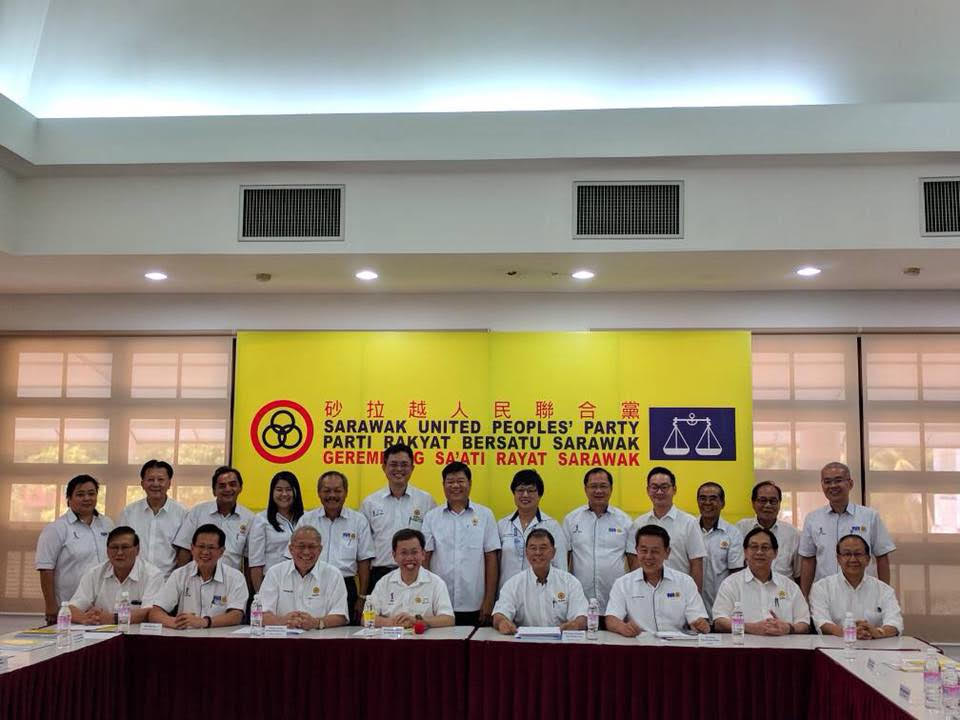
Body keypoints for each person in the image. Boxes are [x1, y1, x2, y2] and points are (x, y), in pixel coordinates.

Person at [799, 462, 896, 598]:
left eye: (838, 480)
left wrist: (884, 596)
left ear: (850, 484)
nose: (833, 486)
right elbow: (808, 561)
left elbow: (882, 557)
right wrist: (804, 598)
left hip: (863, 594)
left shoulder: (869, 516)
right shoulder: (812, 519)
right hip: (825, 595)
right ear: (822, 485)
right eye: (827, 482)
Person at [422, 462, 500, 625]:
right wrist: (426, 597)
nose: (455, 486)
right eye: (450, 482)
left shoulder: (485, 515)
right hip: (439, 602)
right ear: (443, 485)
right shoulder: (431, 517)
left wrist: (489, 600)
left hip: (474, 602)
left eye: (460, 481)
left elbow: (491, 558)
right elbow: (425, 559)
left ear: (469, 483)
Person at [36, 474, 115, 626]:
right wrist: (51, 606)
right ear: (69, 498)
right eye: (80, 494)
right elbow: (46, 569)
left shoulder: (107, 524)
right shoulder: (56, 528)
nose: (87, 498)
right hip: (69, 608)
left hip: (103, 609)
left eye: (91, 493)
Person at [297, 470, 374, 623]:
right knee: (309, 626)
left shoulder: (358, 521)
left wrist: (362, 597)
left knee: (344, 631)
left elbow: (364, 561)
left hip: (346, 585)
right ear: (319, 493)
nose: (332, 495)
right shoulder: (307, 520)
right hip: (310, 583)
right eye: (327, 490)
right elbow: (295, 556)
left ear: (346, 493)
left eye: (337, 490)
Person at [606, 525, 710, 636]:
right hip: (639, 642)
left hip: (676, 643)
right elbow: (611, 618)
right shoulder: (622, 584)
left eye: (655, 551)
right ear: (636, 551)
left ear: (667, 552)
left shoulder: (685, 582)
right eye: (644, 550)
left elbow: (698, 618)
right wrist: (622, 627)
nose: (648, 556)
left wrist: (701, 625)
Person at [361, 443, 437, 591]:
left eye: (404, 465)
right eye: (393, 464)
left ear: (412, 468)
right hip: (380, 575)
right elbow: (364, 548)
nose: (399, 469)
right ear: (384, 467)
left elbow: (430, 545)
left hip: (416, 573)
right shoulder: (370, 503)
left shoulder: (426, 501)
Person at [562, 467, 634, 614]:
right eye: (593, 486)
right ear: (585, 489)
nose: (598, 491)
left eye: (603, 486)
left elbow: (634, 563)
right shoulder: (571, 519)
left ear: (611, 489)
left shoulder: (625, 521)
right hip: (580, 598)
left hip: (615, 598)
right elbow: (564, 561)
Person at [147, 524, 248, 629]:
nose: (205, 552)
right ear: (192, 548)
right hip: (186, 635)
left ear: (221, 551)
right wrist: (175, 622)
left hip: (220, 637)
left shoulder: (235, 577)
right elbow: (155, 613)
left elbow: (236, 616)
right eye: (201, 546)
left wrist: (205, 622)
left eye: (211, 547)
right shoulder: (179, 575)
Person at [713, 528, 810, 635]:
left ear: (775, 553)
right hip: (744, 644)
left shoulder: (790, 586)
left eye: (765, 547)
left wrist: (788, 628)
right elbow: (719, 621)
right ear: (745, 552)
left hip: (782, 644)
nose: (759, 552)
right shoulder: (730, 584)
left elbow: (804, 623)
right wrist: (750, 627)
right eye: (754, 547)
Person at [492, 529, 588, 634]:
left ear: (553, 552)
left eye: (543, 548)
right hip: (524, 642)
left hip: (561, 641)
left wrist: (575, 625)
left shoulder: (570, 583)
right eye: (533, 548)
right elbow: (499, 614)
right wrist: (502, 622)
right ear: (526, 553)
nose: (538, 553)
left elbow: (581, 616)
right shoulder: (513, 584)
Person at [809, 534, 903, 639]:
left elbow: (895, 622)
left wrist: (878, 632)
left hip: (874, 646)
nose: (853, 559)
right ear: (838, 559)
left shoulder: (884, 590)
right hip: (834, 646)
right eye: (847, 554)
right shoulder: (821, 588)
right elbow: (821, 622)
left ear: (868, 559)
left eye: (858, 554)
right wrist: (848, 633)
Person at [630, 466, 706, 591]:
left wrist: (694, 596)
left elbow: (696, 564)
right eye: (654, 487)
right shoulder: (639, 523)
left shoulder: (689, 522)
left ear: (674, 489)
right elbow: (635, 564)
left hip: (679, 592)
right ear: (648, 490)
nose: (659, 492)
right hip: (646, 593)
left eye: (664, 487)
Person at [68, 526, 164, 624]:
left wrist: (112, 618)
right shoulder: (95, 573)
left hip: (137, 632)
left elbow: (150, 612)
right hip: (100, 631)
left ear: (137, 550)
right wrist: (86, 618)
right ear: (107, 550)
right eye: (114, 547)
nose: (119, 553)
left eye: (125, 547)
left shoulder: (153, 575)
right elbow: (70, 608)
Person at [258, 526, 348, 630]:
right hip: (282, 636)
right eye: (301, 546)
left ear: (320, 550)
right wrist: (282, 621)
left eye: (312, 547)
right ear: (291, 549)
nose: (306, 552)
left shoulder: (334, 575)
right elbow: (261, 614)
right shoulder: (275, 573)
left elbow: (341, 616)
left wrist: (317, 623)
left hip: (319, 636)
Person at [368, 529, 454, 629]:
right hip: (391, 637)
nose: (409, 558)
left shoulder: (436, 583)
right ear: (394, 556)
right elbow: (366, 618)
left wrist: (417, 621)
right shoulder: (383, 583)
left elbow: (449, 619)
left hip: (424, 637)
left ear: (423, 554)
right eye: (404, 553)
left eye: (414, 552)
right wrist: (392, 622)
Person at [173, 466, 254, 572]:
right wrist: (182, 578)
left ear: (240, 488)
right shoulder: (198, 512)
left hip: (231, 579)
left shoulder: (249, 518)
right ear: (214, 491)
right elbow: (185, 549)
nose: (228, 489)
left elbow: (249, 559)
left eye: (232, 484)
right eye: (222, 486)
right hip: (198, 577)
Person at [496, 469, 567, 591]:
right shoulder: (502, 525)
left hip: (541, 594)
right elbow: (495, 566)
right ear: (514, 493)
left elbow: (561, 566)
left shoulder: (552, 526)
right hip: (507, 594)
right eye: (520, 490)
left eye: (530, 490)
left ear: (539, 495)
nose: (525, 495)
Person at [119, 460, 187, 578]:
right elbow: (120, 546)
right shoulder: (128, 513)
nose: (155, 484)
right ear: (142, 484)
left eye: (160, 479)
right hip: (134, 579)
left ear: (169, 483)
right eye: (150, 479)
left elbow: (184, 552)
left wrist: (177, 580)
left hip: (167, 581)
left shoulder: (182, 514)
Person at [249, 471, 305, 591]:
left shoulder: (306, 518)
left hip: (303, 582)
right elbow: (256, 563)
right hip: (272, 583)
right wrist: (259, 595)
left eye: (289, 489)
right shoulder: (261, 519)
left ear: (296, 492)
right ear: (272, 492)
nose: (284, 494)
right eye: (279, 490)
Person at [735, 481, 800, 580]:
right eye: (763, 500)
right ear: (753, 503)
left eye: (773, 501)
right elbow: (735, 567)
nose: (768, 505)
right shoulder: (740, 529)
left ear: (779, 504)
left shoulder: (793, 534)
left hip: (783, 588)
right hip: (748, 587)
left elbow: (798, 574)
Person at [696, 481, 744, 615]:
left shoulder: (733, 533)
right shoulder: (688, 528)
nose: (707, 503)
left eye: (713, 498)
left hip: (722, 605)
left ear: (723, 503)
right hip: (691, 605)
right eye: (703, 498)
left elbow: (736, 574)